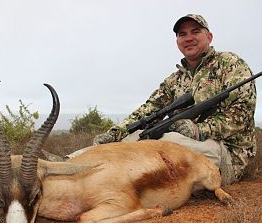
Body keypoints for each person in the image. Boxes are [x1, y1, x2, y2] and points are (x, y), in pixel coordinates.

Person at [71, 14, 258, 186]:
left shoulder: (230, 63)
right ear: (178, 42)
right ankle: (68, 162)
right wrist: (117, 132)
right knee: (129, 139)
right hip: (181, 141)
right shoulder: (174, 80)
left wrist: (199, 129)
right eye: (182, 34)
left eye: (195, 31)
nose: (189, 37)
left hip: (227, 154)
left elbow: (243, 112)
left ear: (209, 37)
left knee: (162, 143)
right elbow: (148, 109)